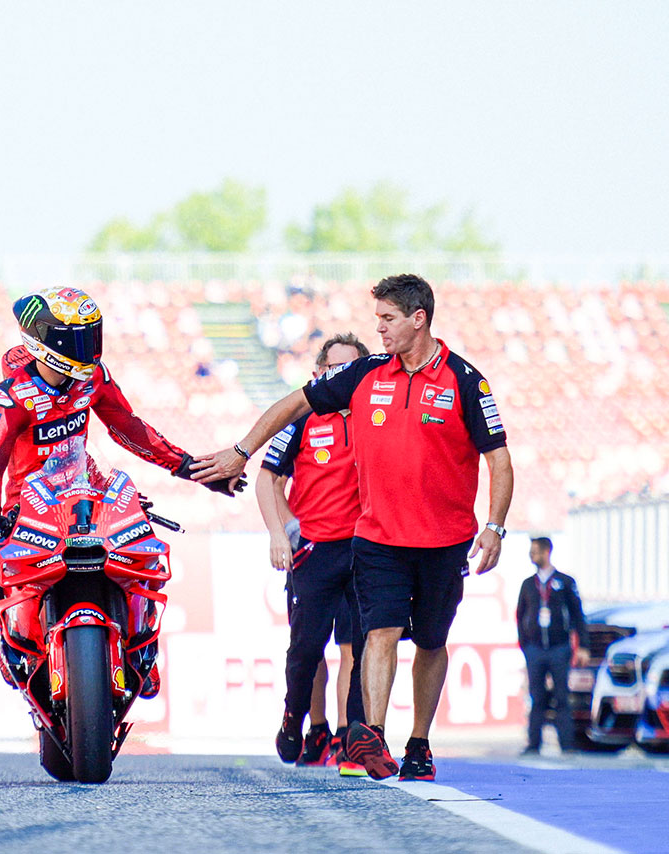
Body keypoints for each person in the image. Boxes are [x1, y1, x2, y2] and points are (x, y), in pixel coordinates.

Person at [191, 273, 514, 782]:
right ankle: (371, 738)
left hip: (443, 540)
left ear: (418, 319)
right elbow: (296, 402)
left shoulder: (466, 381)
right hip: (377, 538)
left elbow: (498, 458)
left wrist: (494, 526)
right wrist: (241, 450)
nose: (380, 329)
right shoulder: (363, 374)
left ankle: (420, 743)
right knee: (378, 633)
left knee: (430, 641)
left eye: (388, 319)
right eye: (377, 319)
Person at [0, 286, 235, 694]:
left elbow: (128, 427)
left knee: (144, 552)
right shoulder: (11, 397)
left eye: (93, 334)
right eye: (77, 338)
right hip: (29, 509)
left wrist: (187, 466)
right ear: (45, 340)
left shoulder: (94, 378)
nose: (90, 348)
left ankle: (142, 648)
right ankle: (13, 645)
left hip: (88, 491)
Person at [256, 333, 369, 774]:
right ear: (319, 374)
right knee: (307, 648)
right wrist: (282, 532)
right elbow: (268, 480)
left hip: (363, 551)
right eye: (333, 370)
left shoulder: (373, 418)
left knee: (358, 646)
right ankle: (301, 719)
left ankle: (350, 734)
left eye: (351, 369)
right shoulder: (302, 418)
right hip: (314, 552)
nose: (341, 377)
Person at [517, 536, 588, 755]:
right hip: (535, 649)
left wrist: (583, 645)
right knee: (536, 696)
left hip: (559, 648)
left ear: (547, 552)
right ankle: (533, 743)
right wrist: (525, 645)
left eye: (535, 551)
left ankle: (566, 743)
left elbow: (577, 614)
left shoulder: (565, 582)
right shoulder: (529, 584)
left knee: (561, 695)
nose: (532, 555)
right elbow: (520, 615)